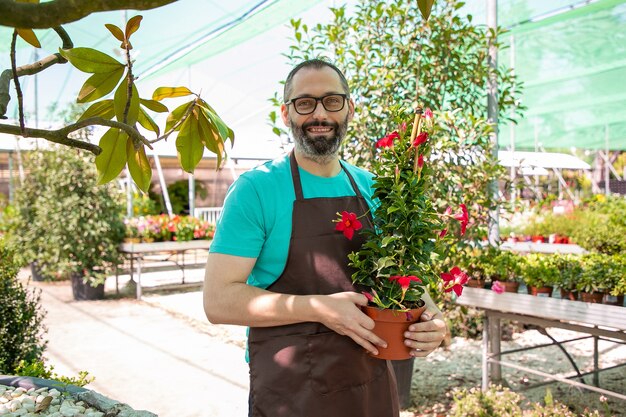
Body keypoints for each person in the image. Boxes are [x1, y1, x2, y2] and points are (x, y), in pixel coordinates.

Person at [203, 58, 447, 417]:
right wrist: (320, 308)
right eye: (305, 103)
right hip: (290, 393)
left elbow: (403, 276)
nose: (320, 114)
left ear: (349, 108)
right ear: (286, 115)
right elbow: (218, 301)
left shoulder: (374, 190)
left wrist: (434, 320)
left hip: (369, 386)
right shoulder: (256, 190)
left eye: (331, 100)